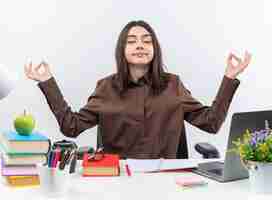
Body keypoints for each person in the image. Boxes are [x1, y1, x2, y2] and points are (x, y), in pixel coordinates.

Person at [25, 20, 251, 159]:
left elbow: (210, 123)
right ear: (122, 50)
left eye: (146, 40)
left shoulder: (173, 85)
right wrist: (48, 82)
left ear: (155, 49)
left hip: (167, 180)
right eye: (131, 41)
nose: (140, 45)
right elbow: (71, 127)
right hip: (119, 180)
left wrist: (229, 78)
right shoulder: (106, 88)